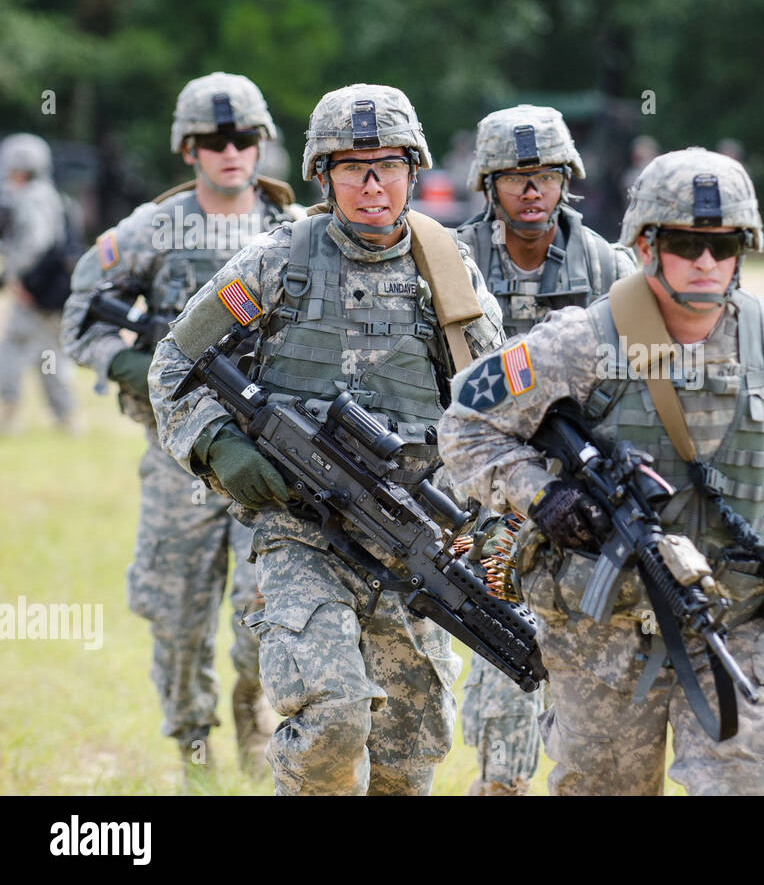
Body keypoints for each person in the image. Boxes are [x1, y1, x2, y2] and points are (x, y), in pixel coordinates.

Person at [438, 147, 764, 795]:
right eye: (685, 243)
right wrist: (541, 494)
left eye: (722, 245)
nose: (705, 261)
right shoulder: (579, 342)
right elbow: (466, 421)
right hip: (603, 627)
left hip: (737, 619)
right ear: (644, 245)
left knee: (744, 782)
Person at [148, 83, 505, 795]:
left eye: (389, 166)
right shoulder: (277, 261)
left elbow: (495, 414)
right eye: (353, 167)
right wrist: (220, 446)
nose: (373, 185)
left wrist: (492, 524)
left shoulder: (449, 272)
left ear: (415, 170)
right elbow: (175, 367)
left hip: (414, 544)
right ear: (322, 174)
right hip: (301, 535)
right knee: (334, 721)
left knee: (408, 759)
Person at [60, 73, 297, 784]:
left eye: (244, 138)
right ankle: (193, 745)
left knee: (270, 608)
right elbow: (82, 321)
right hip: (177, 462)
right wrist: (156, 378)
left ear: (262, 146)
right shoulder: (150, 229)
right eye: (214, 141)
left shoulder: (293, 230)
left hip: (266, 459)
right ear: (187, 149)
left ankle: (255, 718)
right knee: (178, 613)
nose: (231, 152)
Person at [453, 104, 636, 795]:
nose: (533, 190)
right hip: (485, 490)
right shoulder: (448, 261)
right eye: (516, 177)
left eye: (548, 175)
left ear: (569, 180)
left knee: (590, 686)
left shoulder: (607, 267)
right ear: (489, 184)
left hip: (583, 499)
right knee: (504, 675)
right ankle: (500, 783)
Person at [0, 133, 79, 434]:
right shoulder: (53, 196)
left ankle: (18, 413)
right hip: (49, 293)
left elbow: (34, 244)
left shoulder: (30, 198)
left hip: (36, 293)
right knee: (47, 355)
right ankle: (65, 417)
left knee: (26, 351)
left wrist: (17, 278)